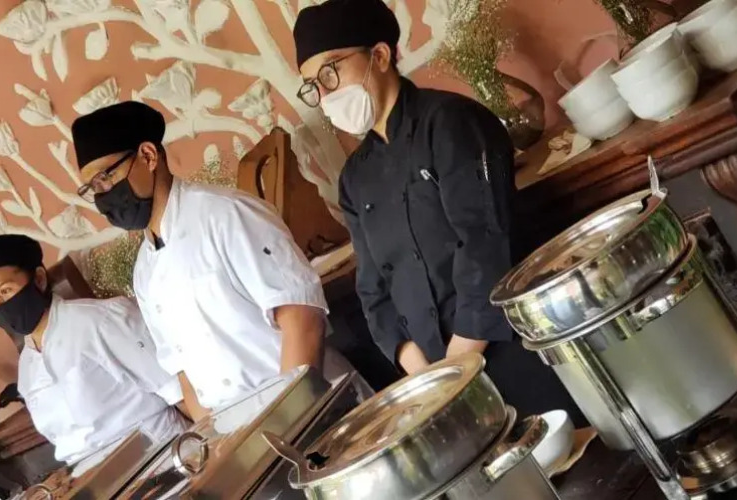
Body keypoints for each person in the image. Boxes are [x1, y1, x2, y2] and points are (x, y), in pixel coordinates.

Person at [293, 0, 584, 422]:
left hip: (510, 349)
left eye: (329, 72)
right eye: (312, 85)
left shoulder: (452, 122)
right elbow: (373, 291)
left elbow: (484, 244)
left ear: (380, 56)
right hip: (439, 378)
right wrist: (428, 377)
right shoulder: (355, 178)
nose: (323, 94)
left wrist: (459, 366)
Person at [70, 101, 351, 422]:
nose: (102, 196)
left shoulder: (225, 214)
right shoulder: (144, 272)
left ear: (148, 156)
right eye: (92, 188)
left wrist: (294, 420)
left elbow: (302, 319)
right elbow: (185, 374)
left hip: (309, 407)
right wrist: (215, 439)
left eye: (105, 177)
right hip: (240, 431)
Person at [0, 234, 187, 465]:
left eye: (5, 291)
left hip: (161, 457)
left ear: (39, 279)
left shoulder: (101, 321)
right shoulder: (27, 367)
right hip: (96, 476)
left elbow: (178, 390)